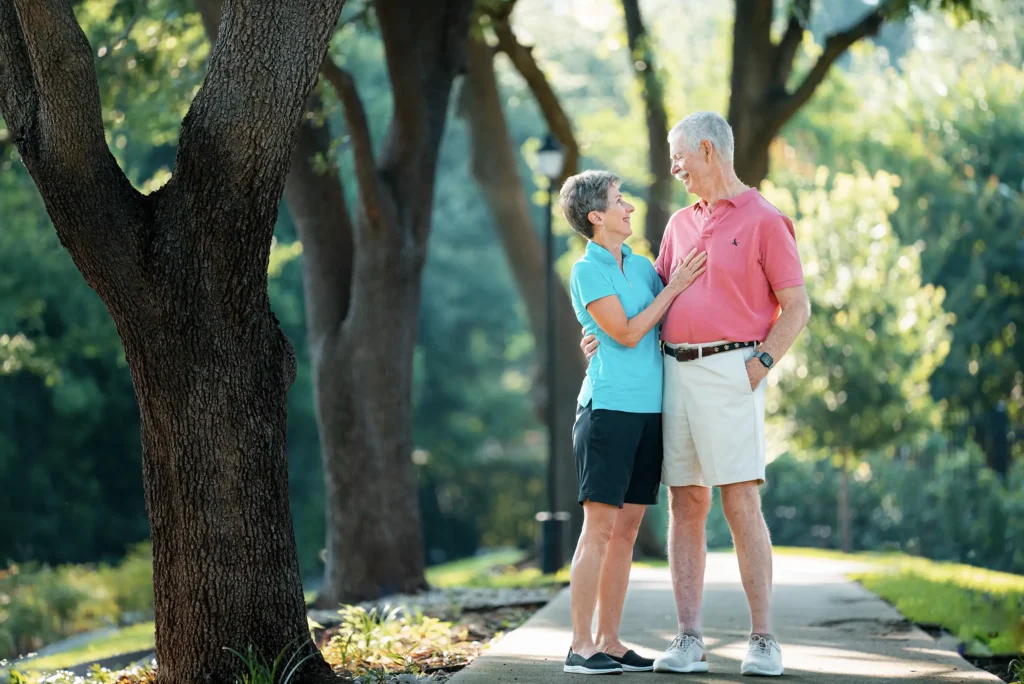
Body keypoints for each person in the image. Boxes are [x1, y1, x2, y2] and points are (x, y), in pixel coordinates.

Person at [581, 112, 810, 677]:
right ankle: (689, 639)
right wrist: (603, 336)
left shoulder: (765, 219)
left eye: (678, 156)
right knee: (687, 502)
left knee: (740, 499)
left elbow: (796, 306)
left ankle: (763, 639)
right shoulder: (681, 223)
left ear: (708, 150)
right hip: (673, 373)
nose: (673, 167)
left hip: (734, 369)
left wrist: (758, 365)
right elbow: (650, 298)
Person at [559, 170, 707, 675]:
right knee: (598, 529)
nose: (630, 208)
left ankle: (611, 641)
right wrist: (675, 289)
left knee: (627, 529)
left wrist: (674, 290)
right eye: (620, 201)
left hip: (650, 411)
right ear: (596, 216)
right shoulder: (587, 270)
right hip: (607, 410)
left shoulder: (643, 268)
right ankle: (580, 647)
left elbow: (668, 324)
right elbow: (623, 333)